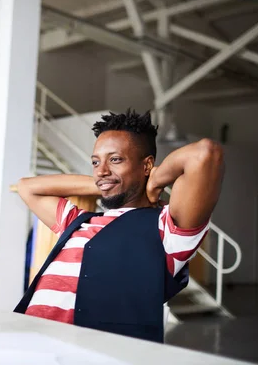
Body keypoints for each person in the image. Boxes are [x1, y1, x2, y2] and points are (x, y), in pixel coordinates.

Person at [14, 109, 224, 343]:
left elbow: (206, 154)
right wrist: (106, 184)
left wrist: (153, 181)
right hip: (31, 344)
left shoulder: (167, 228)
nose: (101, 170)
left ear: (146, 166)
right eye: (95, 162)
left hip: (90, 353)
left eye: (115, 160)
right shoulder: (78, 221)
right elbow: (27, 187)